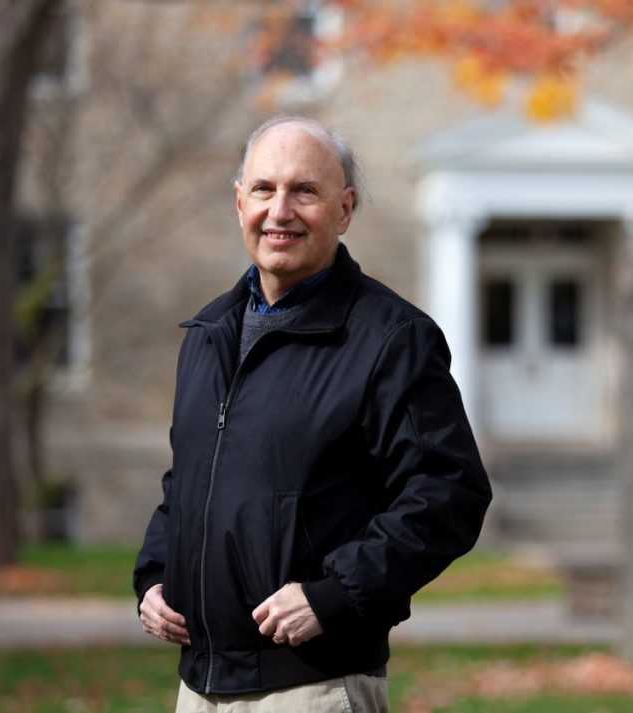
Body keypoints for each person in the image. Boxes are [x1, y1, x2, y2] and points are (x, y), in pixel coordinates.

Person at [133, 115, 491, 712]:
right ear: (239, 202)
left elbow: (448, 493)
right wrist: (152, 576)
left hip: (312, 688)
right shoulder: (206, 335)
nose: (281, 210)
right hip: (198, 687)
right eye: (264, 189)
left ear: (345, 209)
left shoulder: (390, 339)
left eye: (306, 191)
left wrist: (335, 595)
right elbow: (189, 483)